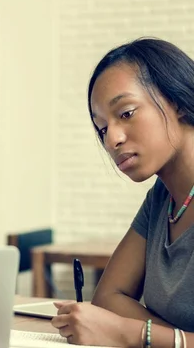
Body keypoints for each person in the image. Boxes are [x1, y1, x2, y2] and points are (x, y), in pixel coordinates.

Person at [51, 38, 194, 347]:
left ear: (179, 102)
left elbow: (118, 324)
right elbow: (108, 296)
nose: (112, 139)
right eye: (102, 128)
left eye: (126, 113)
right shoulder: (162, 198)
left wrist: (131, 334)